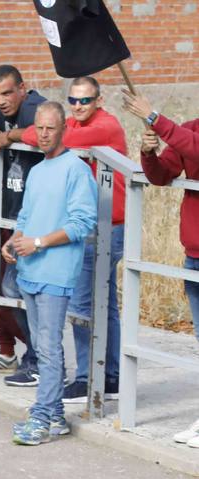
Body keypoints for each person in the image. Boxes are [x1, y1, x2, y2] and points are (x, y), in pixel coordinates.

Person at [1, 102, 97, 446]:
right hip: (29, 267)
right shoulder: (38, 169)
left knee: (50, 347)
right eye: (39, 127)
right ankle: (54, 415)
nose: (43, 134)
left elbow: (82, 224)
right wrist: (13, 241)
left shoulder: (76, 169)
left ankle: (41, 417)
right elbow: (26, 215)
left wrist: (38, 243)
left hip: (56, 271)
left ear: (63, 130)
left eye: (50, 128)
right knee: (41, 346)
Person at [124, 90, 199, 447]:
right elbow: (161, 175)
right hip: (193, 256)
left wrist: (156, 118)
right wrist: (148, 150)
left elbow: (196, 149)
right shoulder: (189, 128)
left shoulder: (184, 133)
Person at [61, 75, 126, 403]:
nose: (77, 106)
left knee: (82, 303)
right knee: (106, 303)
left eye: (84, 100)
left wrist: (48, 131)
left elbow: (52, 137)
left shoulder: (107, 125)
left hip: (105, 227)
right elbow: (43, 133)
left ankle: (87, 378)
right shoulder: (75, 122)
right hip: (95, 224)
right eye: (72, 100)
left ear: (98, 101)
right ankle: (111, 377)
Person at [0, 63, 46, 387]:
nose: (2, 100)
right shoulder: (3, 112)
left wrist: (9, 135)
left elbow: (45, 132)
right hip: (18, 219)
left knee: (23, 289)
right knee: (12, 288)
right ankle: (34, 355)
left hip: (39, 222)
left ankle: (38, 358)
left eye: (8, 92)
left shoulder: (34, 107)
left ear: (23, 88)